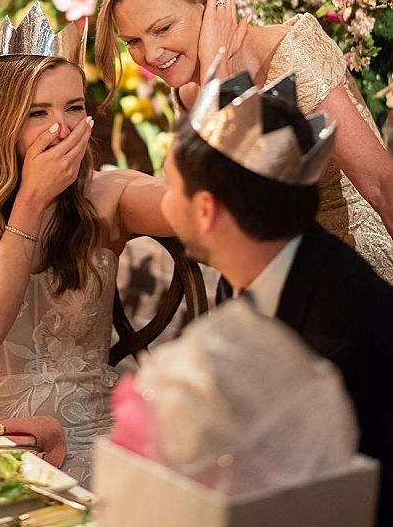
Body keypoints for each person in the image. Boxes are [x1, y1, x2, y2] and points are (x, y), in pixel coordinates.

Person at [0, 3, 174, 486]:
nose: (59, 129)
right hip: (1, 439)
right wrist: (31, 201)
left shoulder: (108, 196)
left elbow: (190, 208)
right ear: (3, 121)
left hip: (97, 430)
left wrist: (197, 90)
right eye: (37, 112)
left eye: (74, 108)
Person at [159, 70, 393, 525]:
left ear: (206, 211)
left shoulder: (343, 338)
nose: (164, 202)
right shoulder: (247, 273)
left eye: (169, 188)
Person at [95, 0, 393, 283]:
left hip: (352, 269)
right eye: (132, 41)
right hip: (261, 278)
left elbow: (382, 184)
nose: (151, 54)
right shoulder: (187, 85)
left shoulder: (288, 54)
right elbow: (215, 209)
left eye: (163, 28)